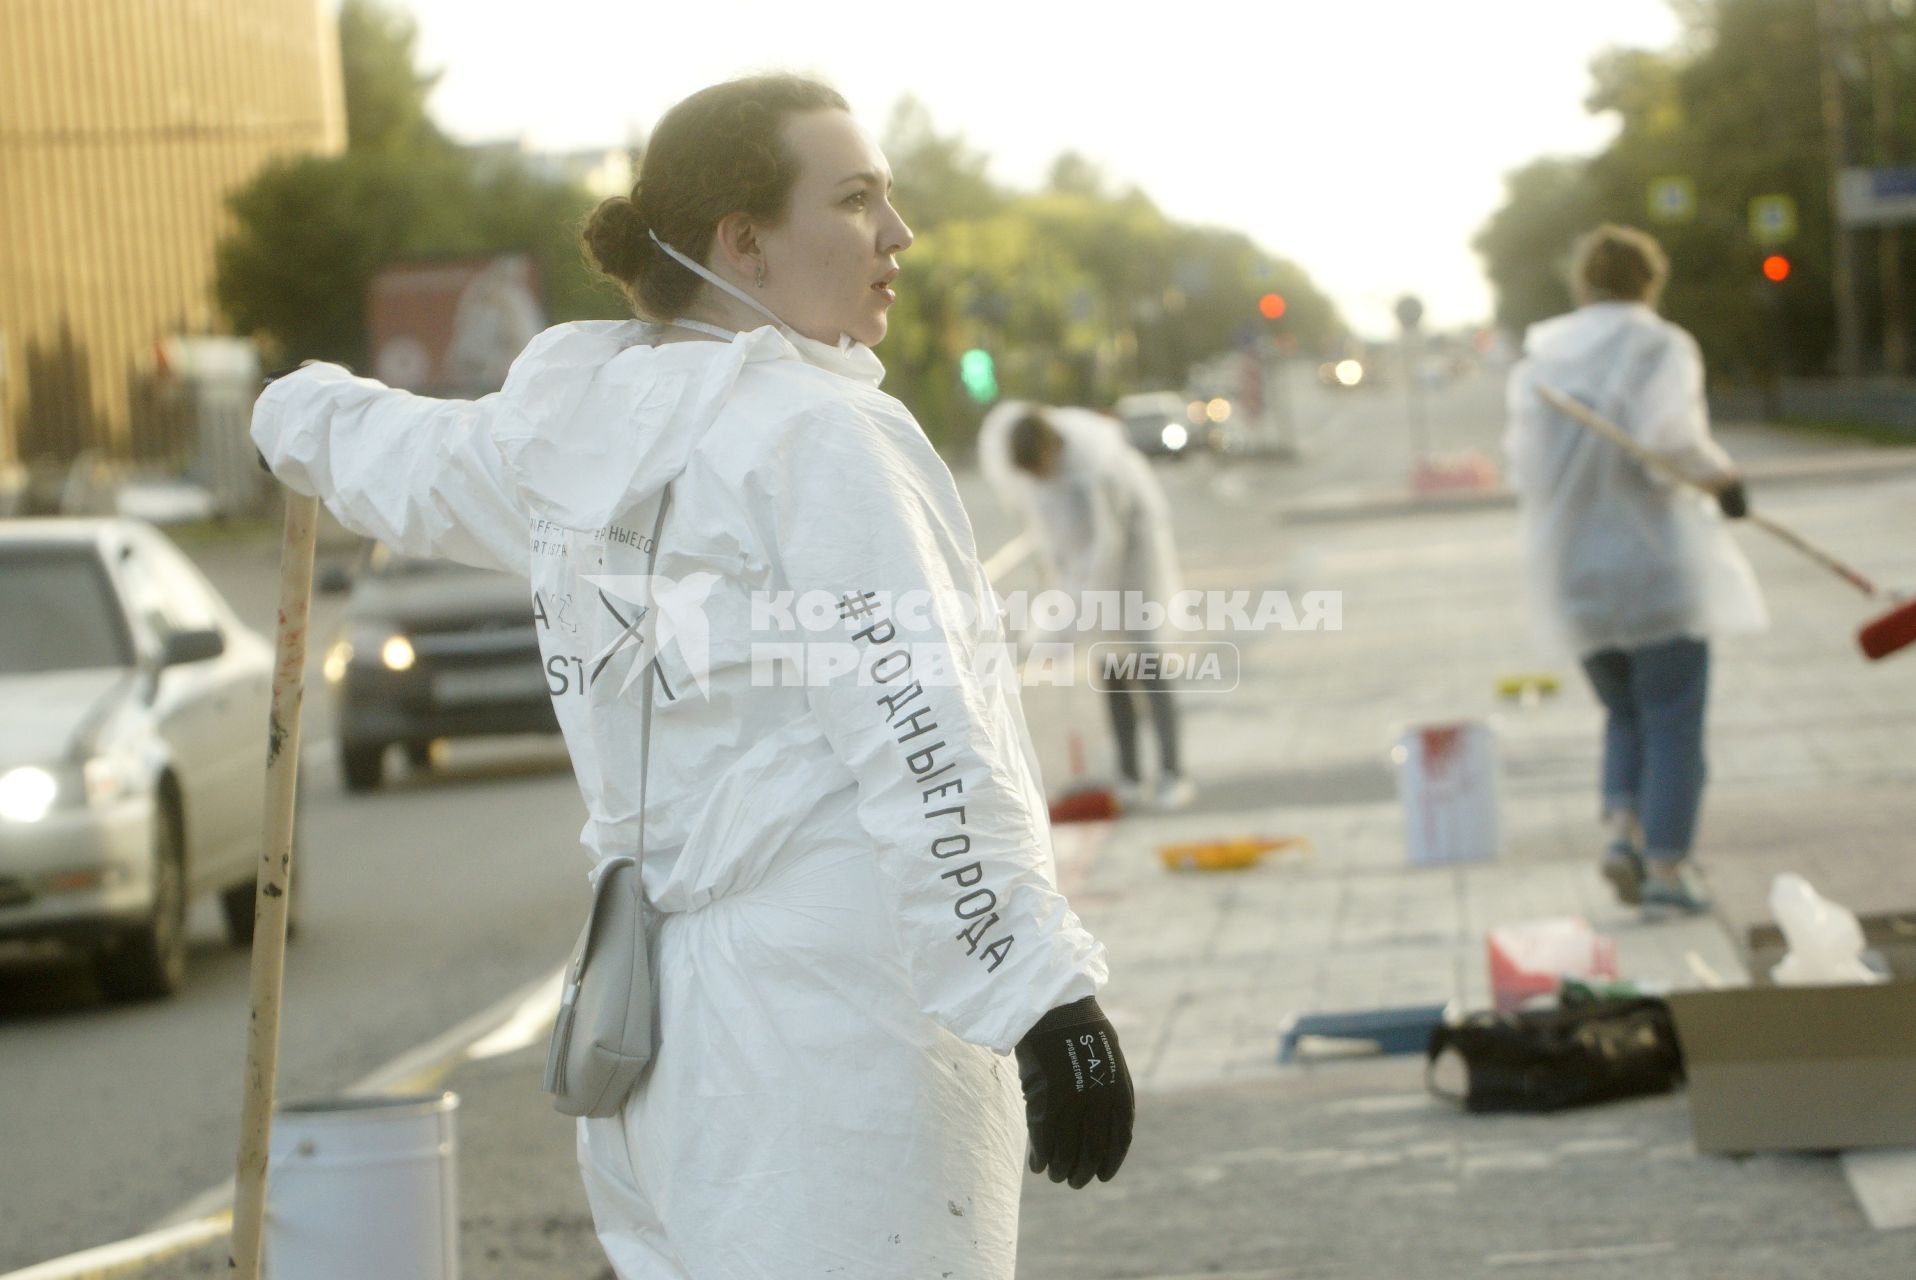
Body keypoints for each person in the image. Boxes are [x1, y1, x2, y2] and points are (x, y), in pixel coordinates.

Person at [252, 76, 1132, 1279]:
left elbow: (385, 449)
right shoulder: (818, 440)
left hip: (655, 1031)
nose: (898, 234)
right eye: (858, 198)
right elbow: (925, 733)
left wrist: (292, 409)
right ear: (744, 242)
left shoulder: (553, 439)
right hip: (838, 1026)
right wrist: (1042, 994)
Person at [1504, 223, 1767, 915]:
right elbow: (1669, 439)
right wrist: (1724, 479)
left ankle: (1621, 833)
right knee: (1673, 720)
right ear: (1648, 282)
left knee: (1623, 714)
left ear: (1583, 282)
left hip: (1573, 573)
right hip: (1654, 569)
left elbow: (1522, 467)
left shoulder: (1541, 360)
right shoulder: (1658, 344)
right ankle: (1668, 870)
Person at [982, 403, 1192, 812]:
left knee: (1147, 664)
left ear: (1048, 452)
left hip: (1135, 565)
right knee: (1110, 669)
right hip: (1091, 572)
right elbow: (1057, 549)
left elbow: (1106, 546)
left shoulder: (1097, 468)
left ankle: (1172, 772)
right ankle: (1129, 774)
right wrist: (1060, 613)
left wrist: (1082, 608)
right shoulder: (1040, 480)